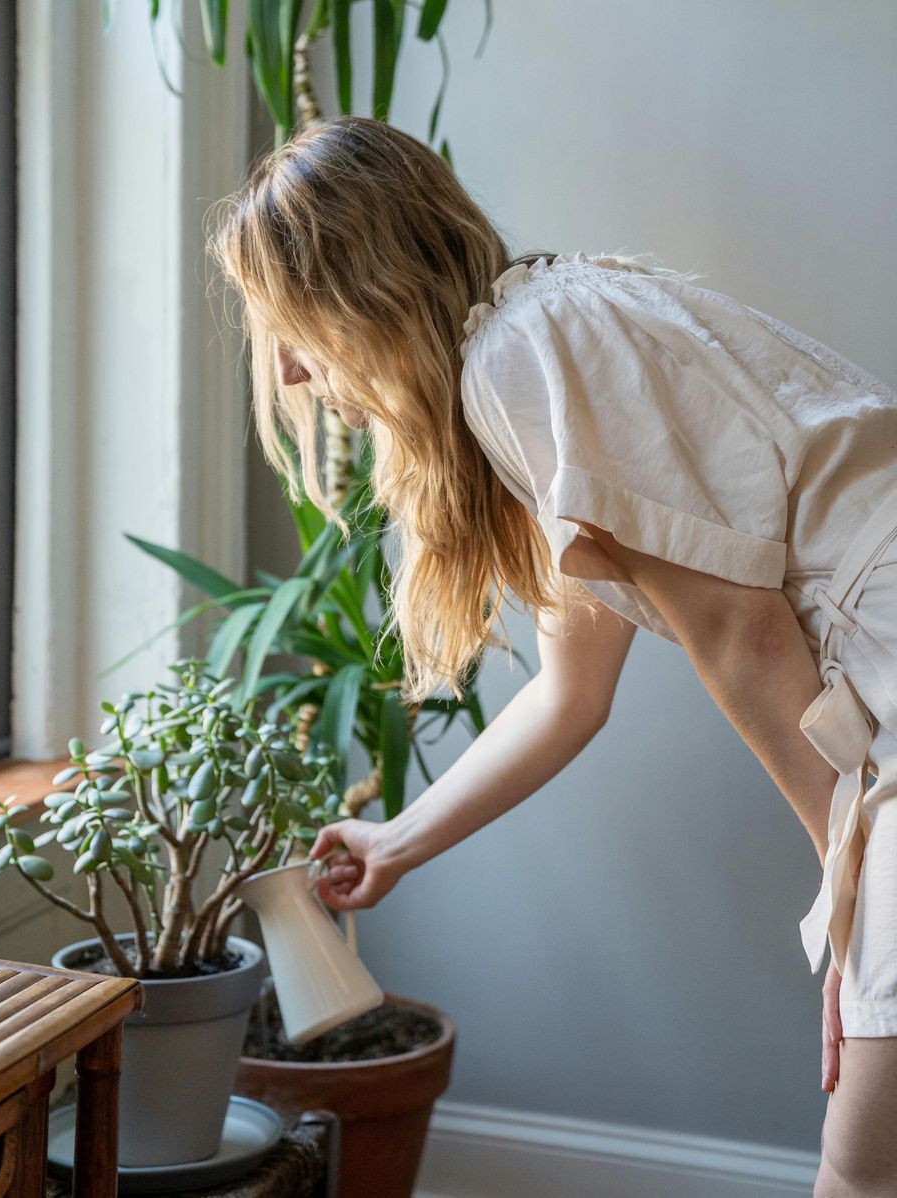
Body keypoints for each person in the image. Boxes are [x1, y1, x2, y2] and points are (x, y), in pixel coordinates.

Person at [208, 115, 897, 1196]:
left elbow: (741, 632)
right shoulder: (538, 344)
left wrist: (844, 894)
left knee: (863, 1169)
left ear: (365, 290)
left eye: (293, 325)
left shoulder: (521, 357)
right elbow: (571, 695)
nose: (291, 368)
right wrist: (395, 841)